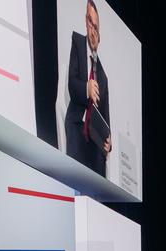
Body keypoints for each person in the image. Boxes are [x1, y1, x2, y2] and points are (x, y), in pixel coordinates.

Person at [64, 0, 111, 176]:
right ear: (86, 20)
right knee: (75, 178)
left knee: (98, 173)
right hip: (77, 125)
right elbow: (71, 83)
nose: (92, 30)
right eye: (90, 22)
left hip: (95, 139)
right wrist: (86, 88)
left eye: (96, 27)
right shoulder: (77, 43)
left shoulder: (103, 76)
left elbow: (105, 114)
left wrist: (109, 142)